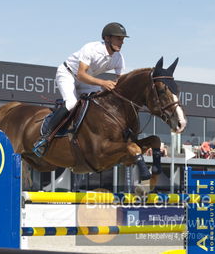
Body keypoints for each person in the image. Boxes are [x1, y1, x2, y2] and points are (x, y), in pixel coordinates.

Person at [32, 23, 153, 180]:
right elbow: (81, 74)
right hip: (69, 74)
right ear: (107, 38)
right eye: (118, 39)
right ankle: (44, 138)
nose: (121, 42)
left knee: (96, 103)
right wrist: (103, 83)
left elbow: (121, 83)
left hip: (87, 80)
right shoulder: (92, 48)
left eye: (122, 39)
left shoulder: (118, 58)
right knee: (71, 103)